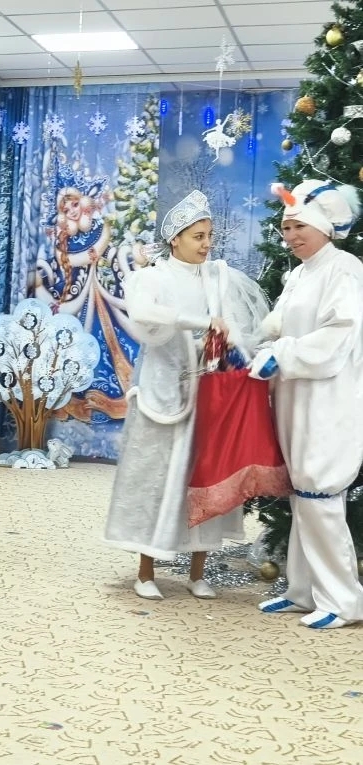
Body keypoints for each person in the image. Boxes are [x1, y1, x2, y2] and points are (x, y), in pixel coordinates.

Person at [104, 190, 270, 600]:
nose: (206, 243)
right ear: (175, 238)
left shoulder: (218, 278)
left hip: (208, 394)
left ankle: (198, 572)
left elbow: (233, 328)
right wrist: (201, 322)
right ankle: (146, 571)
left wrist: (238, 353)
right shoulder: (153, 277)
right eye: (198, 236)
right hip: (162, 394)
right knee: (157, 478)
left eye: (209, 235)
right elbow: (143, 313)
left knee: (205, 476)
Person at [255, 180, 363, 629]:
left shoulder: (345, 270)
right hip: (295, 399)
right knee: (303, 495)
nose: (291, 235)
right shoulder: (300, 274)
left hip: (327, 400)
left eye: (299, 226)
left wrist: (284, 354)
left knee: (320, 494)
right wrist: (263, 346)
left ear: (324, 226)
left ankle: (343, 600)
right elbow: (280, 325)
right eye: (286, 227)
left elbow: (338, 336)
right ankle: (302, 591)